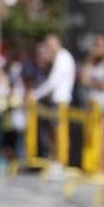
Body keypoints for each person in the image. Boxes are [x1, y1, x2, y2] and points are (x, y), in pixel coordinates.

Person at [32, 33, 76, 164]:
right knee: (55, 132)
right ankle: (57, 160)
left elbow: (53, 82)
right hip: (57, 101)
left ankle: (61, 161)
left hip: (60, 101)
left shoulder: (62, 57)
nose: (48, 49)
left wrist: (35, 94)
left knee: (58, 132)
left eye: (50, 45)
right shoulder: (59, 57)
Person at [77, 33, 104, 171]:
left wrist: (90, 82)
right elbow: (82, 77)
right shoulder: (92, 61)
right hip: (91, 104)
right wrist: (90, 57)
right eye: (95, 44)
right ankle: (92, 166)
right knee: (90, 135)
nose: (96, 47)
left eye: (99, 45)